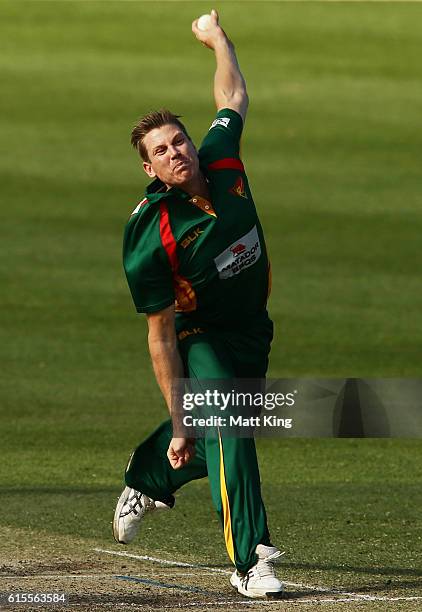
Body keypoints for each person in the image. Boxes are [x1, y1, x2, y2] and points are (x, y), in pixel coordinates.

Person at [113, 10, 283, 599]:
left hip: (251, 329)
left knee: (226, 431)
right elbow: (159, 336)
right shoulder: (152, 234)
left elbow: (232, 92)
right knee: (226, 419)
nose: (176, 152)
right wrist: (183, 412)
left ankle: (150, 473)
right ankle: (250, 560)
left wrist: (218, 39)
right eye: (161, 150)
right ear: (150, 168)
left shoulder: (223, 160)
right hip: (199, 334)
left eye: (178, 139)